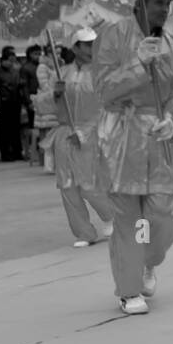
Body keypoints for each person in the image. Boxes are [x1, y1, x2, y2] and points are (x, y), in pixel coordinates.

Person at [94, 0, 173, 314]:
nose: (164, 8)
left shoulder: (171, 44)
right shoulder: (112, 35)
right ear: (140, 3)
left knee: (161, 215)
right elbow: (104, 91)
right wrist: (137, 64)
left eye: (167, 2)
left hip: (157, 135)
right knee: (128, 217)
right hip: (121, 135)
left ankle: (149, 260)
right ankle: (129, 288)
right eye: (158, 2)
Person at [53, 28, 115, 247]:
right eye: (87, 44)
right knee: (67, 185)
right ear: (76, 47)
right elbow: (46, 104)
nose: (92, 49)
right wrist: (56, 93)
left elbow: (108, 104)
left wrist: (89, 132)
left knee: (88, 183)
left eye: (94, 44)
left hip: (92, 132)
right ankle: (84, 233)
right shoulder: (62, 73)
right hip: (64, 134)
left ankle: (109, 216)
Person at [0, 47, 24, 162]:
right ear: (3, 60)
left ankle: (17, 152)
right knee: (4, 130)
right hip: (2, 103)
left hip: (15, 102)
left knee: (16, 128)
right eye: (10, 61)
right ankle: (5, 153)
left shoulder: (15, 71)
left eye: (13, 61)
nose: (12, 63)